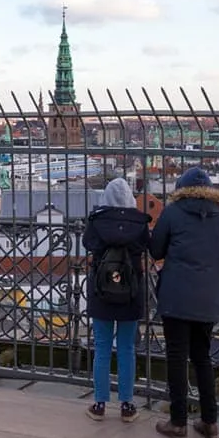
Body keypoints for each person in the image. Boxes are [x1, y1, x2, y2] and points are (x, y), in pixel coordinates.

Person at [149, 167, 219, 438]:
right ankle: (210, 421)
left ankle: (178, 422)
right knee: (202, 357)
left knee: (177, 357)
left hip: (176, 296)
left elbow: (156, 250)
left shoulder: (173, 212)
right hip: (209, 298)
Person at [82, 177, 152, 422]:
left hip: (102, 290)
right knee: (126, 348)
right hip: (130, 291)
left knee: (102, 347)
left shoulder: (97, 221)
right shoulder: (140, 223)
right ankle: (127, 405)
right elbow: (148, 246)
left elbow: (87, 243)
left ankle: (100, 403)